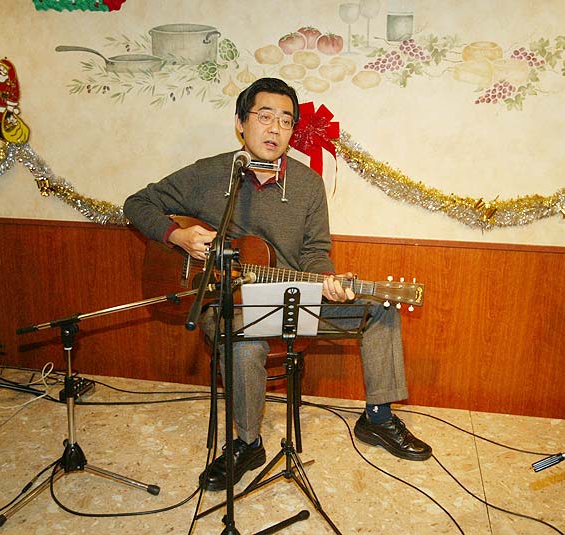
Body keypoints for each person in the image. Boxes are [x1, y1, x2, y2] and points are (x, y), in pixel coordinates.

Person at [123, 77, 431, 492]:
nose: (275, 129)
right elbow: (136, 203)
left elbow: (315, 251)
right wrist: (177, 236)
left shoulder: (307, 184)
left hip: (292, 300)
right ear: (240, 123)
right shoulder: (210, 174)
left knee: (379, 308)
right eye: (265, 117)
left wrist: (325, 280)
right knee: (243, 340)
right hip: (225, 301)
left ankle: (377, 417)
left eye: (286, 121)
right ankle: (248, 443)